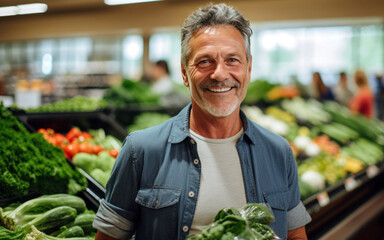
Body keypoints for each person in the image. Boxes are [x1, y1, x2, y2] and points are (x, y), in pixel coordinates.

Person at [93, 3, 311, 240]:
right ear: (185, 73)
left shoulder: (279, 152)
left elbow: (295, 234)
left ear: (248, 69)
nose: (219, 74)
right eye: (205, 61)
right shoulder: (141, 151)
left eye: (232, 60)